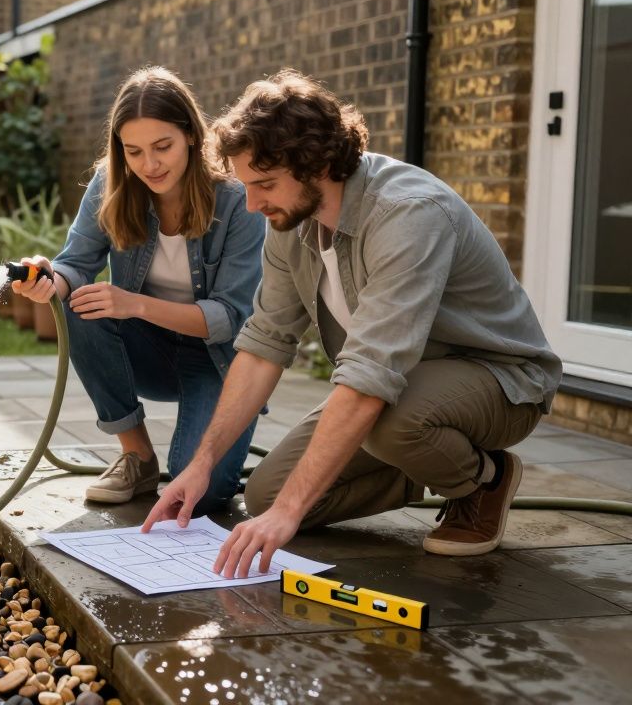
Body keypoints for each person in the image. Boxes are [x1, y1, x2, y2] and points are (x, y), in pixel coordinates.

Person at [142, 69, 562, 576]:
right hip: (401, 386)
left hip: (500, 379)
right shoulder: (289, 218)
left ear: (316, 163)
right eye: (248, 186)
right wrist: (203, 463)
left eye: (266, 185)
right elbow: (263, 343)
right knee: (267, 494)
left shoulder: (408, 213)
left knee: (382, 429)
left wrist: (289, 515)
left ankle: (483, 480)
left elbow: (369, 376)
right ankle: (424, 456)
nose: (253, 205)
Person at [13, 66, 265, 511]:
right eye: (134, 151)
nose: (149, 165)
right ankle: (138, 456)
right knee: (79, 303)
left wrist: (134, 304)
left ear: (190, 133)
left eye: (162, 147)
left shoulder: (237, 199)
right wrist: (50, 278)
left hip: (216, 361)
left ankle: (203, 456)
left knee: (200, 495)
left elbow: (229, 318)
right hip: (147, 352)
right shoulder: (110, 186)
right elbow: (75, 264)